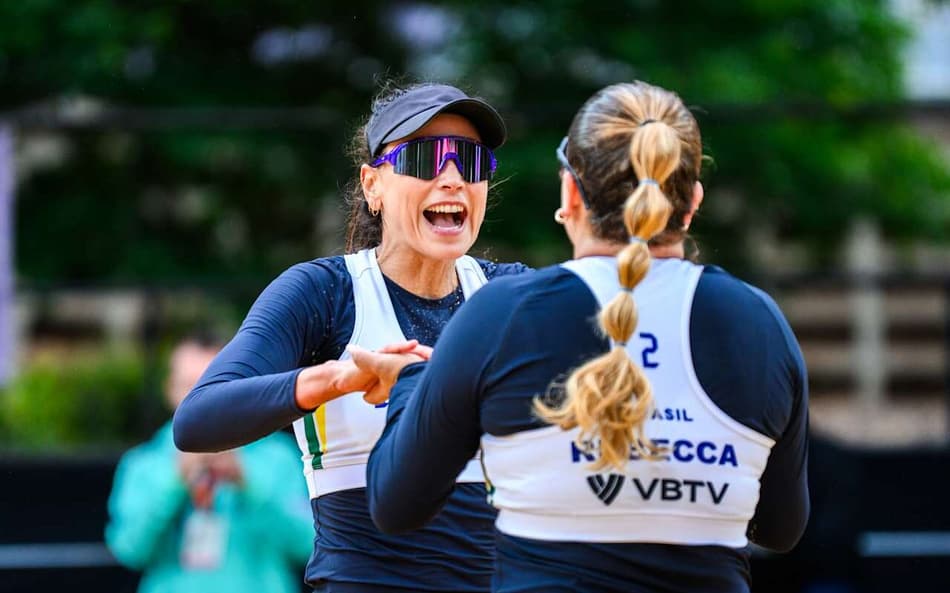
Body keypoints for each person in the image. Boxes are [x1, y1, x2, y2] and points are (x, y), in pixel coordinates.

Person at [352, 81, 810, 593]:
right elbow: (781, 529)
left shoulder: (502, 317)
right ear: (692, 202)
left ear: (570, 192)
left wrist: (413, 383)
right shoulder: (759, 324)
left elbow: (394, 506)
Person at [172, 81, 529, 593]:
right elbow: (199, 418)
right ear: (373, 185)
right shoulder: (324, 293)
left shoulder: (510, 293)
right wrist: (337, 379)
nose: (451, 178)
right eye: (426, 158)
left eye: (471, 162)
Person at [105, 334, 312, 593]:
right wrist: (175, 480)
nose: (201, 399)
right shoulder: (144, 462)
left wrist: (247, 481)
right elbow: (129, 549)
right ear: (170, 389)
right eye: (190, 386)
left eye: (214, 385)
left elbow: (309, 544)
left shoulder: (279, 456)